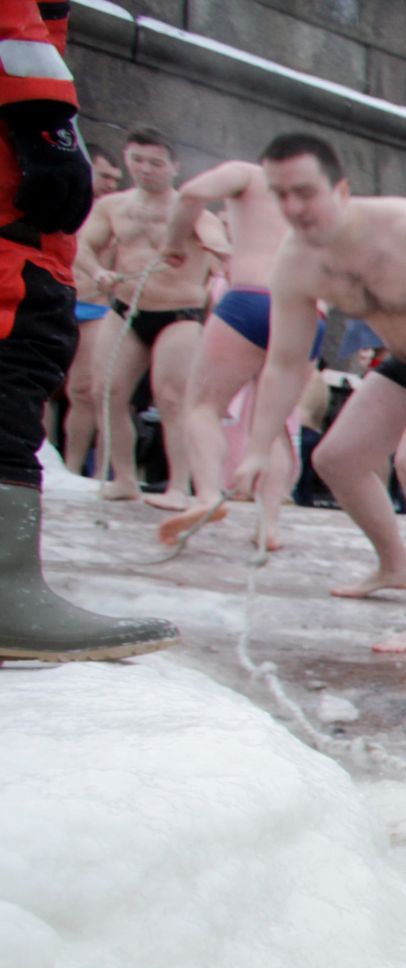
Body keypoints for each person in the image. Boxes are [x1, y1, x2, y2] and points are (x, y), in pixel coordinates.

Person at [235, 132, 406, 655]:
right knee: (336, 457)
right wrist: (255, 448)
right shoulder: (296, 263)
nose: (293, 208)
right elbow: (286, 364)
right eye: (279, 194)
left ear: (340, 189)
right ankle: (393, 565)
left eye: (305, 191)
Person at [0, 0, 178, 661]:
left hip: (169, 307)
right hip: (19, 204)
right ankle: (5, 589)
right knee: (26, 336)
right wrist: (42, 118)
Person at [152, 158, 326, 549]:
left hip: (252, 298)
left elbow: (192, 194)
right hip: (307, 312)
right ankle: (269, 525)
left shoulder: (247, 174)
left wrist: (173, 243)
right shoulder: (321, 198)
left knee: (202, 405)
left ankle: (209, 495)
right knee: (277, 423)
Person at [74, 126, 223, 504]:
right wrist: (98, 273)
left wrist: (216, 250)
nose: (145, 169)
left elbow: (218, 242)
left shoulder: (192, 209)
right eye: (137, 160)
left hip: (179, 315)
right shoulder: (113, 206)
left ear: (174, 166)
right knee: (105, 391)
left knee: (172, 398)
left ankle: (179, 485)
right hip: (127, 308)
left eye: (156, 163)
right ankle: (124, 477)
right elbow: (83, 247)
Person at [51, 143, 122, 474]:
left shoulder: (113, 211)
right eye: (104, 175)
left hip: (95, 306)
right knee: (42, 390)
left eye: (114, 178)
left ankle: (73, 468)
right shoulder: (59, 200)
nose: (110, 183)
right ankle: (43, 462)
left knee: (86, 391)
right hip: (57, 300)